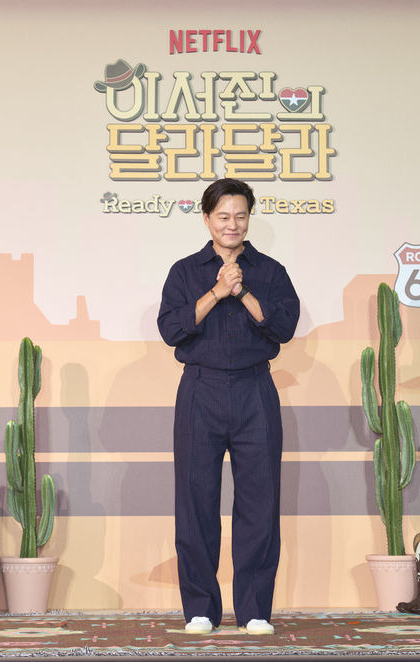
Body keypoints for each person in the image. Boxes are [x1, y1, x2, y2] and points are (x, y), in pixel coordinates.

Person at [157, 178, 300, 635]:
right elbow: (172, 330)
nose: (231, 224)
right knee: (195, 501)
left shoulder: (271, 271)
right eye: (223, 216)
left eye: (240, 216)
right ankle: (201, 609)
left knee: (259, 502)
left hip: (256, 390)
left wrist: (243, 292)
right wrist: (217, 291)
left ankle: (255, 610)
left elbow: (283, 327)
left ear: (248, 218)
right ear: (206, 219)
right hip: (200, 389)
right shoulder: (185, 271)